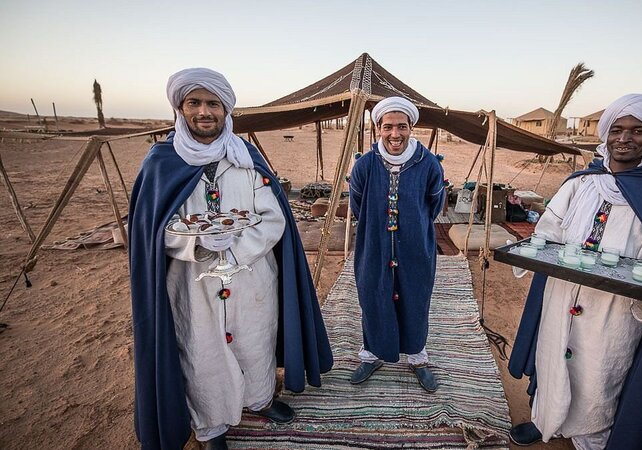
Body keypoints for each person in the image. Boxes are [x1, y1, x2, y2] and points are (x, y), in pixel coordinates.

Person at [128, 68, 333, 450]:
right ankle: (211, 425)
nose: (204, 111)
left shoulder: (245, 156)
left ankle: (259, 400)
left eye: (213, 104)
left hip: (253, 275)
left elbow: (273, 217)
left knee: (255, 342)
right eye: (195, 103)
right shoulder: (161, 161)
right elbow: (154, 229)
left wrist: (237, 249)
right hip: (193, 283)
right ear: (180, 107)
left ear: (225, 110)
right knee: (201, 352)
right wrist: (198, 244)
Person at [507, 94, 642, 449]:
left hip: (614, 311)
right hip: (563, 292)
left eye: (637, 131)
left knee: (599, 375)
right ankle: (545, 419)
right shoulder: (581, 183)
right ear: (606, 134)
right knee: (552, 357)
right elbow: (549, 229)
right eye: (617, 129)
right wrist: (533, 250)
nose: (625, 138)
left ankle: (590, 438)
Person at [347, 96, 446, 392]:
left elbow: (434, 203)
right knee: (373, 297)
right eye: (387, 126)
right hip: (374, 246)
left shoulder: (428, 163)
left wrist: (412, 227)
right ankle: (373, 353)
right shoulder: (365, 165)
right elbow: (357, 204)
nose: (395, 134)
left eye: (401, 126)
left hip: (416, 247)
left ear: (411, 127)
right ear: (377, 127)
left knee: (415, 299)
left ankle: (417, 357)